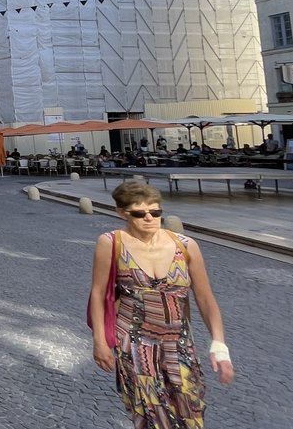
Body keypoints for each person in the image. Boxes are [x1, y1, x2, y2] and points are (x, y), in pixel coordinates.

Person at [89, 181, 234, 428]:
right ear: (122, 213)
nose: (149, 218)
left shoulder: (185, 245)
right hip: (134, 342)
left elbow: (205, 298)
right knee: (151, 415)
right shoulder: (111, 242)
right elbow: (98, 292)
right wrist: (100, 342)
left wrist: (219, 345)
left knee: (191, 409)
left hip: (178, 339)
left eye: (155, 212)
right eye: (139, 213)